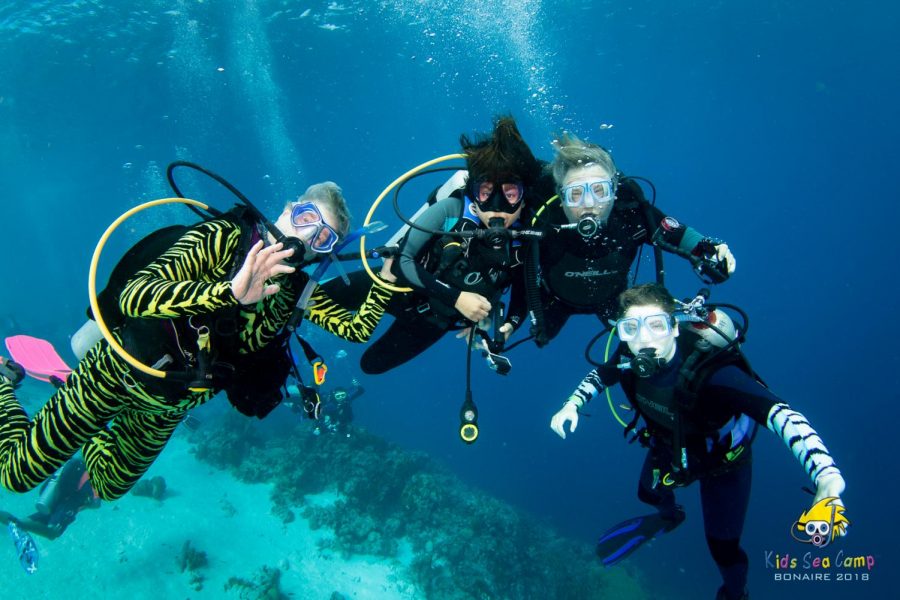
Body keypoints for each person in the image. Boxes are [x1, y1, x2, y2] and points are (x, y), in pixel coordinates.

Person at [0, 182, 396, 525]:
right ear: (289, 209)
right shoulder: (224, 237)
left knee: (109, 484)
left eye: (323, 238)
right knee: (15, 475)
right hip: (119, 372)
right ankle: (7, 381)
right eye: (307, 219)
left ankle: (81, 422)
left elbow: (355, 328)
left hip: (168, 406)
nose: (307, 238)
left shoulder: (297, 290)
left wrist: (388, 281)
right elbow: (134, 295)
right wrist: (229, 293)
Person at [549, 283, 847, 600]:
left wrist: (826, 477)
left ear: (675, 326)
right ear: (621, 332)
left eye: (656, 325)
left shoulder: (713, 373)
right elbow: (601, 375)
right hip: (668, 447)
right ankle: (669, 516)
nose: (644, 339)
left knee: (722, 546)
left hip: (723, 466)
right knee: (647, 493)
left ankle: (735, 592)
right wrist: (572, 405)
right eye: (630, 328)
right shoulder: (629, 354)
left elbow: (782, 416)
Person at [339, 116, 543, 374]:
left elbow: (523, 293)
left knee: (371, 365)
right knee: (311, 297)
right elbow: (403, 259)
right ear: (474, 193)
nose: (497, 208)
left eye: (510, 194)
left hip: (434, 321)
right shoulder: (451, 210)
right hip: (390, 286)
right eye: (486, 193)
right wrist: (458, 299)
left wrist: (507, 324)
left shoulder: (524, 239)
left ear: (524, 198)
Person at [513, 133, 736, 346]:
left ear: (614, 191)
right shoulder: (543, 218)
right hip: (554, 299)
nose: (589, 203)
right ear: (562, 199)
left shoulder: (631, 214)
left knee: (643, 342)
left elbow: (676, 234)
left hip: (613, 300)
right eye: (576, 193)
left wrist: (709, 248)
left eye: (600, 190)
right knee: (541, 336)